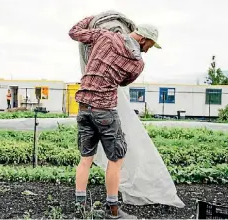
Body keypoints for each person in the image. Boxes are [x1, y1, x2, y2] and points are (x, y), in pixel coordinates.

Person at [69, 16, 161, 219]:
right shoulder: (138, 63)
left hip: (83, 107)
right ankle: (113, 210)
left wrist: (94, 18)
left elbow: (74, 32)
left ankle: (80, 208)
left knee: (85, 160)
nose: (148, 50)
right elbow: (125, 83)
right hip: (105, 111)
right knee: (116, 159)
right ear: (143, 39)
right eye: (150, 46)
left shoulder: (105, 36)